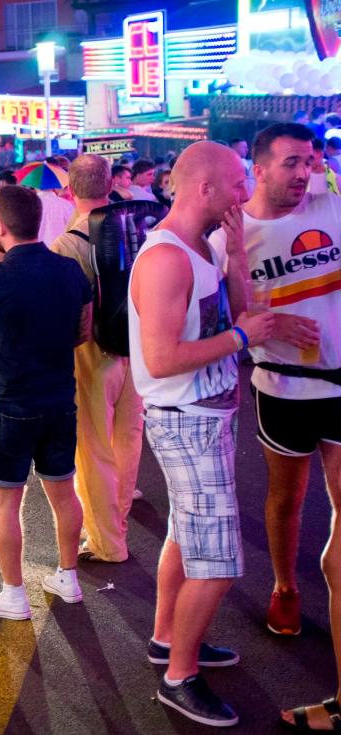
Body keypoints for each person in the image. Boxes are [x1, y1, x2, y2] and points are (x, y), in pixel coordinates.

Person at [128, 141, 276, 727]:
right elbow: (162, 359)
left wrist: (237, 254)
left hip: (206, 417)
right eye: (239, 183)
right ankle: (179, 676)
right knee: (217, 562)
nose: (247, 193)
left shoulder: (200, 247)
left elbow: (234, 309)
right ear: (206, 189)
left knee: (186, 540)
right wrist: (242, 338)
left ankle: (169, 639)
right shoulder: (165, 258)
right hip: (186, 418)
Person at [208, 123, 341, 730]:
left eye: (309, 161)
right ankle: (286, 586)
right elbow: (234, 316)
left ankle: (329, 581)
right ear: (258, 169)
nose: (302, 172)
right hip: (283, 387)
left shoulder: (332, 202)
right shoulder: (229, 237)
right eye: (290, 162)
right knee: (287, 498)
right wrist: (272, 323)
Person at [0, 184, 90, 619]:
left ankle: (14, 594)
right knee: (64, 491)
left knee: (5, 501)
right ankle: (68, 577)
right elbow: (83, 331)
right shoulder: (70, 271)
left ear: (1, 225)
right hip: (60, 398)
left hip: (11, 401)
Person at [49, 155, 144, 564]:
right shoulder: (136, 226)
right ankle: (116, 522)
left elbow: (68, 314)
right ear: (109, 184)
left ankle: (107, 542)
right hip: (136, 350)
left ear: (70, 189)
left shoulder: (67, 243)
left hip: (92, 353)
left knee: (93, 450)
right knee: (128, 439)